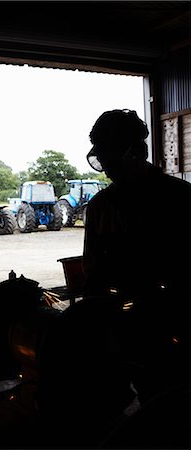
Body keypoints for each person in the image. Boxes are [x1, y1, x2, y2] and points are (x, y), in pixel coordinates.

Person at [83, 108, 191, 418]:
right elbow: (93, 270)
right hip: (122, 323)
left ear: (136, 152)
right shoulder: (101, 206)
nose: (107, 169)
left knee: (174, 394)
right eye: (102, 160)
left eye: (111, 158)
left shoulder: (179, 199)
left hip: (174, 317)